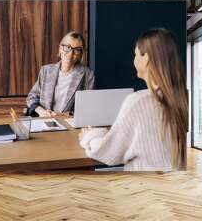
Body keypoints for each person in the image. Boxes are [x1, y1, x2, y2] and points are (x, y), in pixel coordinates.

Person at [79, 28, 188, 171]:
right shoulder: (183, 99)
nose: (134, 59)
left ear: (146, 58)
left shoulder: (139, 101)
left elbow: (108, 153)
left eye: (135, 54)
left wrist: (89, 136)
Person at [26, 31, 95, 117]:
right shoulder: (46, 71)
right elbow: (31, 97)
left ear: (80, 54)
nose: (70, 54)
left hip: (69, 123)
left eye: (77, 50)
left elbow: (89, 107)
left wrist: (63, 115)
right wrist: (42, 112)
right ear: (60, 48)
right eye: (67, 47)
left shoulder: (87, 75)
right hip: (44, 121)